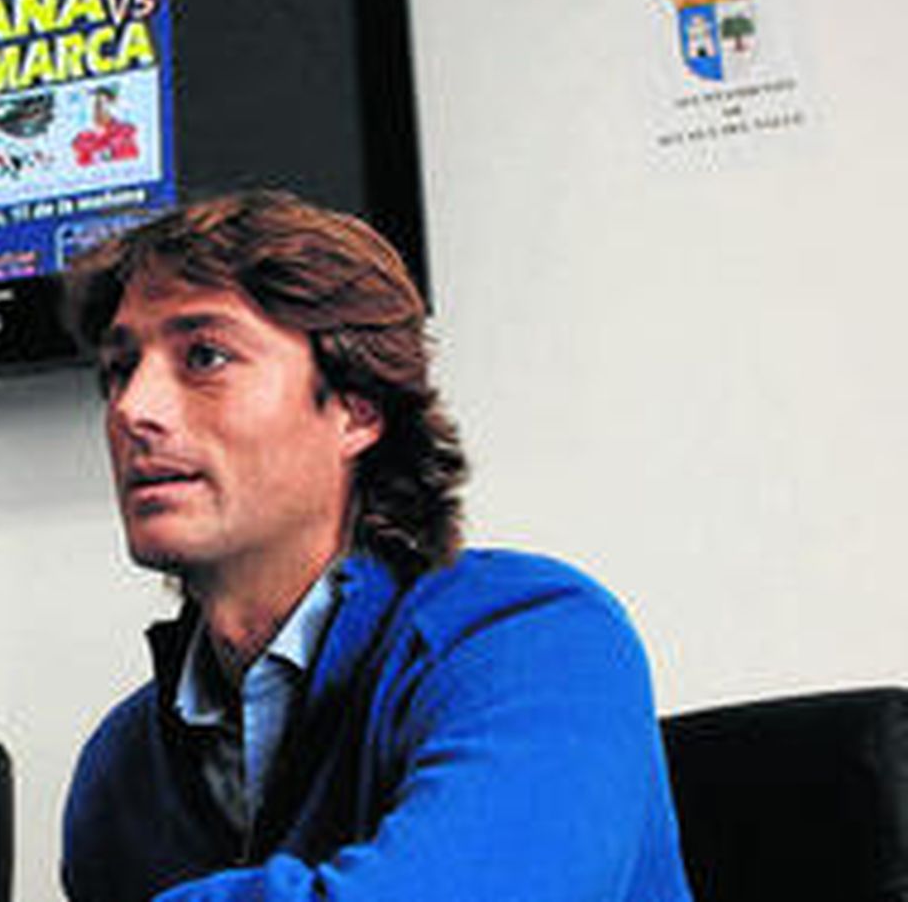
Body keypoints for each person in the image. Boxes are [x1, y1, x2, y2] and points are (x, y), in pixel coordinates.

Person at [60, 191, 693, 901]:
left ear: (357, 409)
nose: (131, 408)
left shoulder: (540, 637)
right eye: (119, 369)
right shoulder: (118, 771)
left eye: (204, 356)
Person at [71, 85, 139, 167]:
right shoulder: (83, 140)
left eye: (101, 105)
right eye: (95, 106)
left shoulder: (124, 133)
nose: (97, 111)